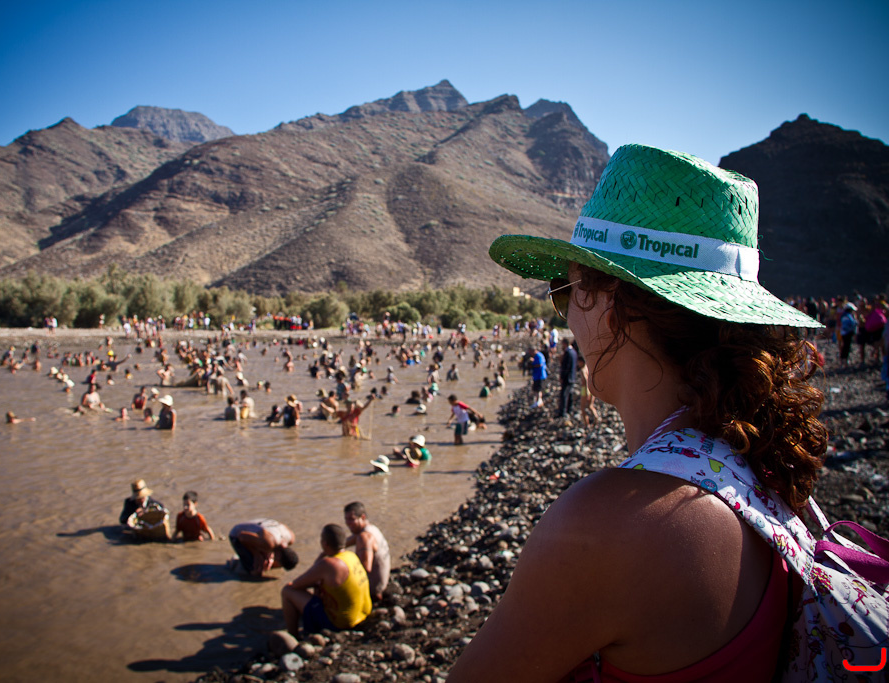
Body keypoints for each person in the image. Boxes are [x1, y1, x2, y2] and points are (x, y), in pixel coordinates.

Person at [456, 143, 828, 680]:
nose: (566, 317)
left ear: (610, 306)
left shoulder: (612, 522)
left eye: (565, 289)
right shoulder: (753, 463)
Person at [280, 523, 371, 638]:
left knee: (287, 591)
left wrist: (320, 557)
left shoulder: (328, 564)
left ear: (325, 543)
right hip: (364, 614)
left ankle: (293, 636)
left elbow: (296, 585)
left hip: (343, 623)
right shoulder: (351, 555)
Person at [344, 502, 391, 601]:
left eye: (351, 519)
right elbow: (345, 543)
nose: (348, 523)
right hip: (382, 584)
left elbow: (365, 568)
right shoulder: (371, 529)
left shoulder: (364, 537)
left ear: (363, 517)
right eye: (346, 519)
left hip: (373, 590)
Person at [228, 518, 298, 577]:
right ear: (279, 555)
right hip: (236, 534)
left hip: (260, 530)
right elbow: (242, 537)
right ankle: (235, 563)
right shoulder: (269, 543)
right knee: (254, 570)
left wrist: (269, 553)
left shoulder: (291, 538)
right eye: (278, 560)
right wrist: (256, 554)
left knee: (267, 560)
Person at [556, 338, 578, 418]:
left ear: (565, 344)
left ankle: (563, 412)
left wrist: (562, 377)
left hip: (567, 377)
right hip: (572, 376)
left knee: (564, 395)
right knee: (570, 394)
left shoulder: (568, 353)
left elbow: (566, 367)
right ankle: (569, 409)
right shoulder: (574, 352)